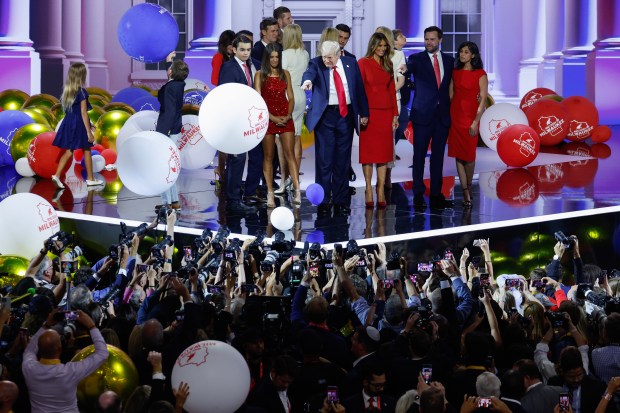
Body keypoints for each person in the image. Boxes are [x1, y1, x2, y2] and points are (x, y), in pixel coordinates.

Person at [302, 40, 369, 216]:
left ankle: (341, 201)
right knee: (324, 161)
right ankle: (324, 201)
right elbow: (309, 73)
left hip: (345, 116)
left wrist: (364, 113)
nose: (326, 61)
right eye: (324, 57)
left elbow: (359, 89)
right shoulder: (316, 63)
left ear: (339, 54)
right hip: (325, 117)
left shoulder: (351, 63)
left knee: (343, 161)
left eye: (329, 57)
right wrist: (307, 81)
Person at [22, 309, 109, 413]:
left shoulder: (29, 368)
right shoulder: (70, 372)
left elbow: (30, 349)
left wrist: (46, 325)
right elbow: (103, 353)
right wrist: (91, 326)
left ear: (39, 349)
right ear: (60, 349)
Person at [407, 26, 454, 210]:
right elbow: (408, 68)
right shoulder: (415, 59)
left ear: (440, 40)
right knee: (418, 156)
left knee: (438, 157)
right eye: (426, 39)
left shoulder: (449, 61)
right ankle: (418, 194)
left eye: (432, 39)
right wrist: (403, 69)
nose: (428, 42)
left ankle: (436, 194)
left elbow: (451, 86)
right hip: (422, 114)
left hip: (441, 116)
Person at [254, 42, 300, 208]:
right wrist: (272, 118)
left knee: (290, 154)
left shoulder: (285, 73)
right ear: (267, 58)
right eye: (271, 57)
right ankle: (270, 193)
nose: (274, 60)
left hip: (285, 117)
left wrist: (287, 115)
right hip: (268, 118)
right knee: (268, 156)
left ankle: (297, 190)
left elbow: (292, 97)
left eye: (277, 57)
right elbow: (259, 100)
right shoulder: (260, 75)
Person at [357, 32, 398, 208]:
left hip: (386, 113)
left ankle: (380, 189)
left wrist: (395, 115)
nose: (382, 49)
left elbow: (392, 90)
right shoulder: (363, 63)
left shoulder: (388, 64)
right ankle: (368, 188)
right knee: (368, 155)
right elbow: (359, 91)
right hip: (370, 115)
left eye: (384, 46)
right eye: (379, 46)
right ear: (372, 45)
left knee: (383, 155)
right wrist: (362, 113)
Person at [219, 35, 258, 213]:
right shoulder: (229, 67)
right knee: (237, 159)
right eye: (242, 49)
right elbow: (226, 95)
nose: (245, 53)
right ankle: (232, 200)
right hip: (234, 120)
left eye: (248, 50)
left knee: (239, 159)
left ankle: (234, 198)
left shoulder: (248, 65)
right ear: (234, 50)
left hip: (245, 119)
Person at [447, 41, 488, 208]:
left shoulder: (480, 73)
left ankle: (469, 186)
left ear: (473, 55)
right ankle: (465, 191)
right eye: (461, 51)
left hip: (471, 117)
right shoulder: (455, 72)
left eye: (466, 52)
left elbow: (483, 98)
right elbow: (451, 94)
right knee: (458, 155)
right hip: (456, 117)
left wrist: (476, 121)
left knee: (469, 157)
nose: (462, 54)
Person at [51, 62, 103, 189]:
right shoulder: (81, 92)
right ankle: (90, 179)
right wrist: (89, 132)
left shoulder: (67, 92)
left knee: (69, 150)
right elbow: (83, 113)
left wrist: (89, 124)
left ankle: (57, 176)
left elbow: (74, 112)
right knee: (86, 149)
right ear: (81, 75)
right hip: (78, 124)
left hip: (68, 122)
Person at [155, 54, 188, 212]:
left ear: (170, 73)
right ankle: (173, 201)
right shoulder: (178, 84)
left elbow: (168, 111)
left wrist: (162, 133)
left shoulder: (169, 88)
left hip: (168, 129)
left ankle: (167, 202)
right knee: (170, 165)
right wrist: (170, 61)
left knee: (163, 166)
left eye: (169, 68)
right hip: (175, 128)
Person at [281, 23, 309, 194]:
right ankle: (294, 177)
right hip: (301, 95)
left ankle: (286, 179)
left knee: (284, 140)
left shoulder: (284, 55)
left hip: (287, 96)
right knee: (297, 137)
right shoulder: (305, 54)